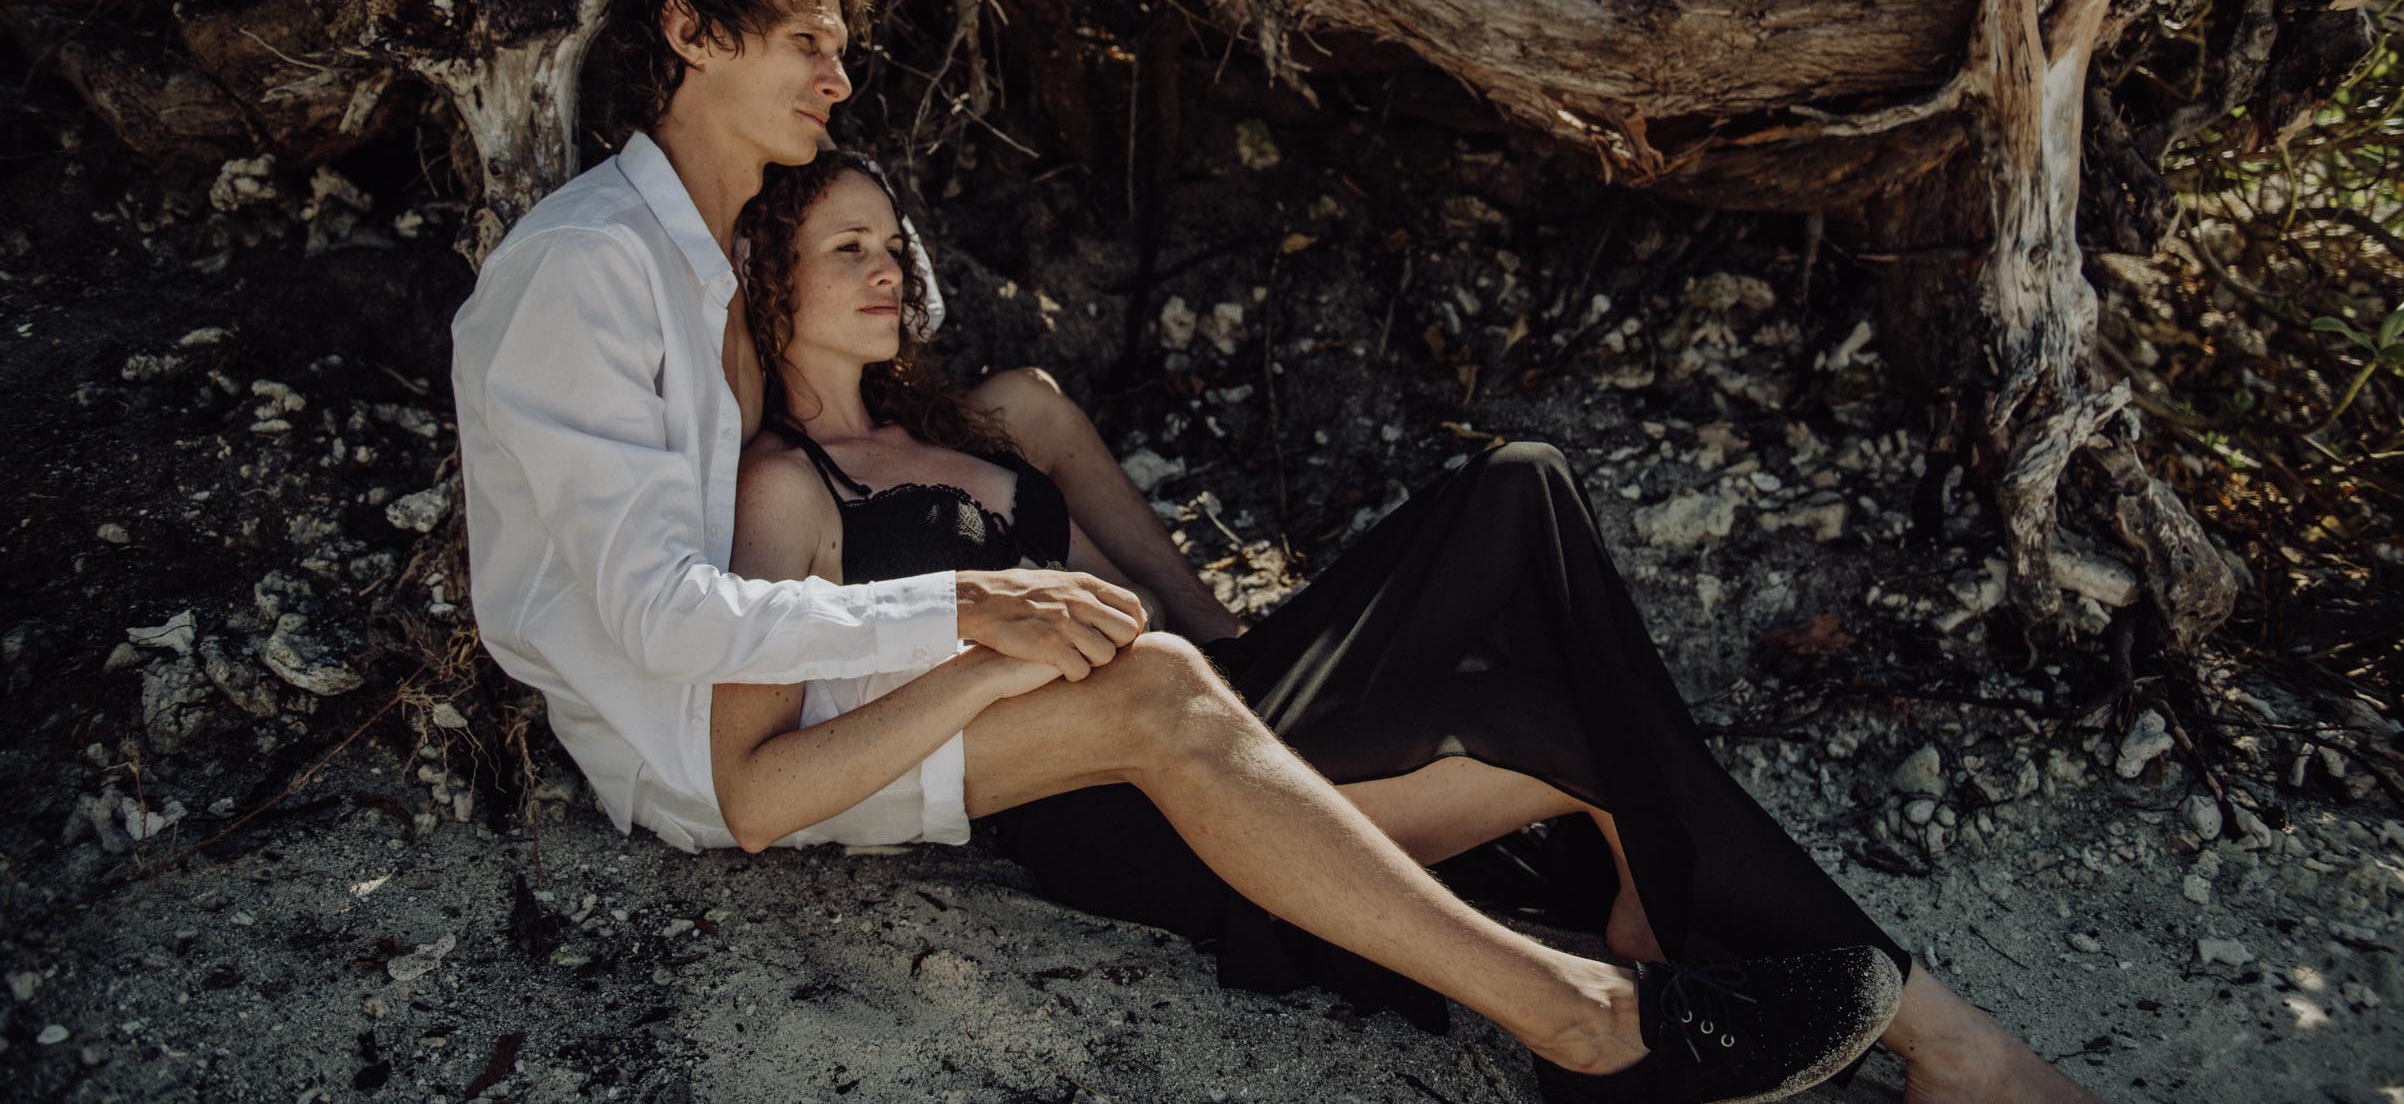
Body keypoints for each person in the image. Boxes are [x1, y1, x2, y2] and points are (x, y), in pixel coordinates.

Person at [709, 151, 2111, 1104]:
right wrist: (986, 652)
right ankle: (1942, 1045)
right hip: (1101, 795)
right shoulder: (786, 490)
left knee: (1520, 488)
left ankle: (1689, 931)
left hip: (1222, 695)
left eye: (893, 246)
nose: (887, 271)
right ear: (766, 276)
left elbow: (1165, 596)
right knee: (1541, 677)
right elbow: (763, 774)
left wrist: (1308, 651)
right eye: (846, 248)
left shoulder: (997, 416)